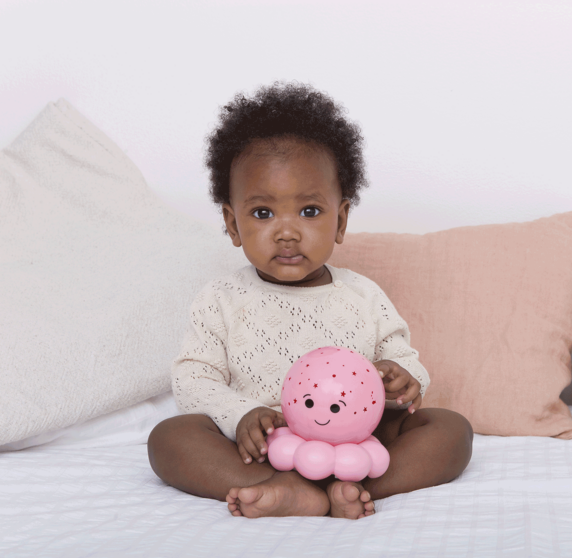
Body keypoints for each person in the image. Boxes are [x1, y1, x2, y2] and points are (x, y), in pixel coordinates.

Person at [147, 82, 473, 519]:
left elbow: (401, 359)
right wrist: (242, 414)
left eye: (310, 211)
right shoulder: (220, 299)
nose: (287, 232)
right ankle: (287, 487)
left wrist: (402, 378)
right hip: (263, 448)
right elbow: (193, 380)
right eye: (263, 213)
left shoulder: (361, 294)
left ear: (340, 220)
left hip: (356, 444)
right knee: (169, 437)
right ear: (232, 223)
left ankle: (357, 487)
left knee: (451, 429)